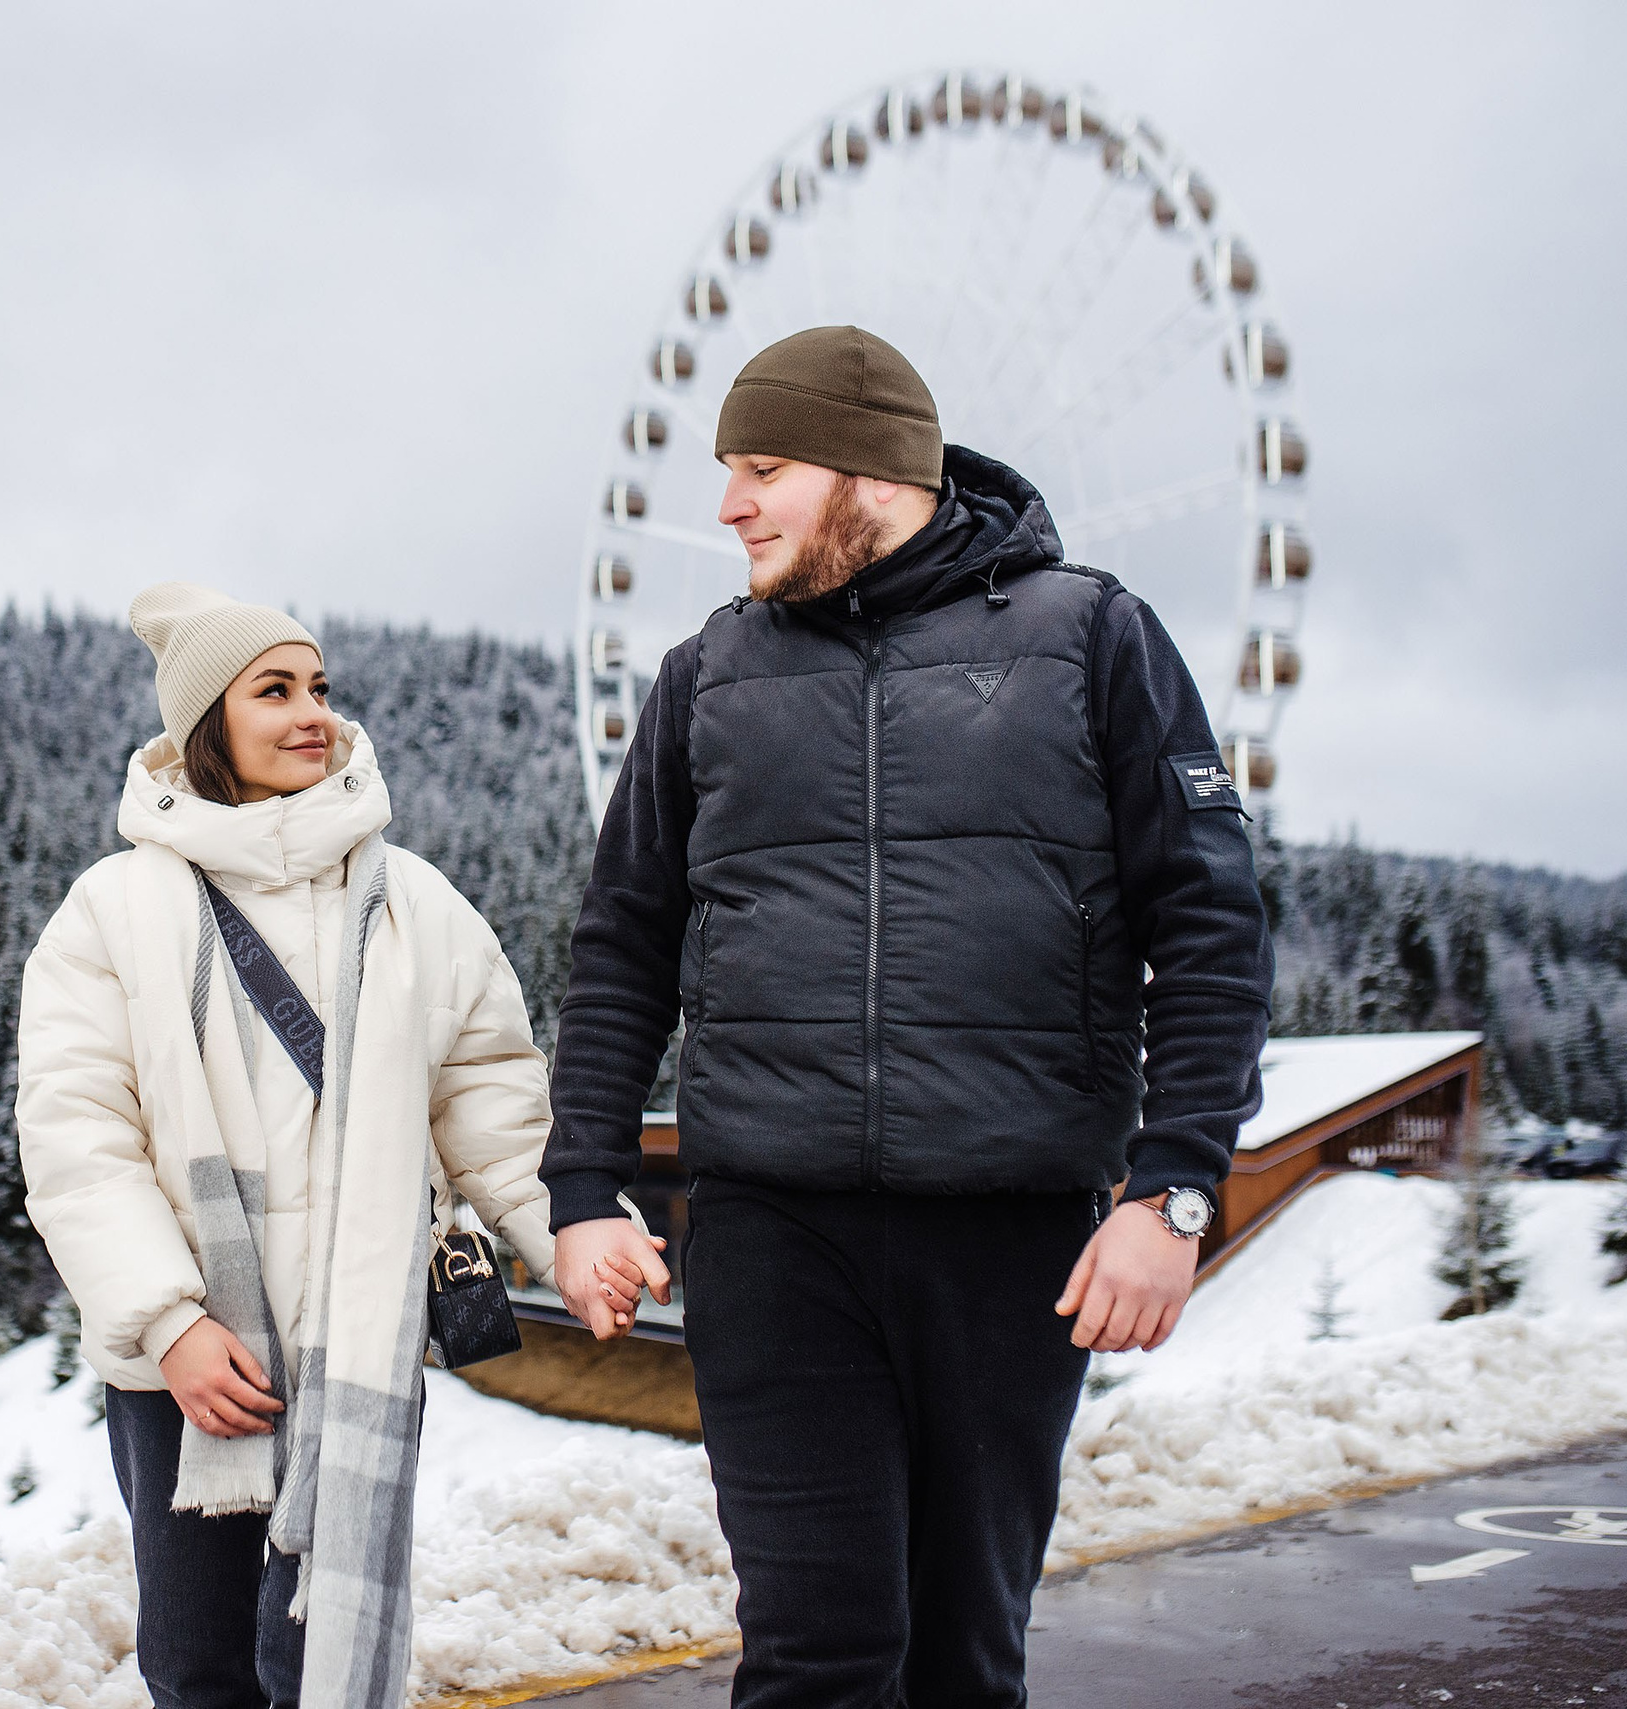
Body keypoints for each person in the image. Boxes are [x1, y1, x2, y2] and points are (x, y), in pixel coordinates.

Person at [543, 326, 1274, 1707]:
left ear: (874, 472)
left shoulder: (1092, 638)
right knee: (817, 1656)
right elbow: (623, 940)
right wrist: (583, 1186)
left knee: (960, 1660)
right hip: (771, 1234)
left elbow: (1210, 924)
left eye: (763, 469)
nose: (728, 506)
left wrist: (1175, 1189)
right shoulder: (706, 675)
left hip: (1011, 1239)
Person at [16, 582, 562, 1709]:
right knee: (200, 1665)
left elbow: (490, 1095)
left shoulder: (414, 902)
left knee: (318, 1659)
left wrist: (572, 1237)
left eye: (319, 686)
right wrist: (168, 1323)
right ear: (207, 720)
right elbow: (79, 1140)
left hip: (353, 1343)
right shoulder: (112, 911)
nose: (314, 712)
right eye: (274, 690)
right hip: (190, 1360)